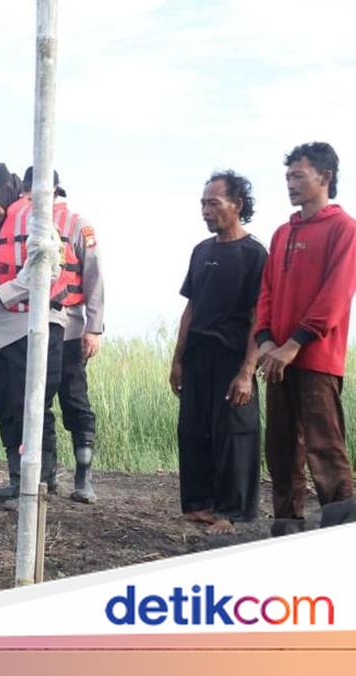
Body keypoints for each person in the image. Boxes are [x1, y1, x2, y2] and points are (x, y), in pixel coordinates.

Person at [254, 142, 356, 534]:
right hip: (276, 358)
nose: (290, 184)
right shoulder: (282, 233)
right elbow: (266, 292)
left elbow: (334, 297)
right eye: (287, 177)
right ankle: (286, 529)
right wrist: (265, 340)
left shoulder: (343, 229)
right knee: (281, 449)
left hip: (315, 358)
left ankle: (341, 531)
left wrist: (293, 344)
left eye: (299, 176)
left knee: (324, 446)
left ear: (325, 177)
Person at [0, 162, 67, 503]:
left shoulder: (37, 219)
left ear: (7, 190)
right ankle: (16, 478)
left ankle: (39, 484)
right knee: (6, 404)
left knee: (32, 406)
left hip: (30, 329)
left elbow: (47, 271)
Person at [170, 171, 266, 535]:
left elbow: (260, 317)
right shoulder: (201, 251)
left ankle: (232, 512)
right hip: (197, 355)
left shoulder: (255, 254)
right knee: (193, 428)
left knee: (234, 434)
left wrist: (247, 371)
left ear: (237, 205)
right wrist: (177, 359)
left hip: (233, 356)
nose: (205, 211)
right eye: (203, 204)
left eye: (214, 203)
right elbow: (191, 308)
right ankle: (199, 504)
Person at [21, 167, 104, 503]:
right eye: (28, 191)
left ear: (54, 190)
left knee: (75, 400)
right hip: (31, 328)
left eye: (39, 191)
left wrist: (93, 328)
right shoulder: (21, 224)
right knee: (39, 401)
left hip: (69, 327)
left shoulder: (77, 224)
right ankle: (46, 475)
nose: (32, 197)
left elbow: (94, 277)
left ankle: (83, 478)